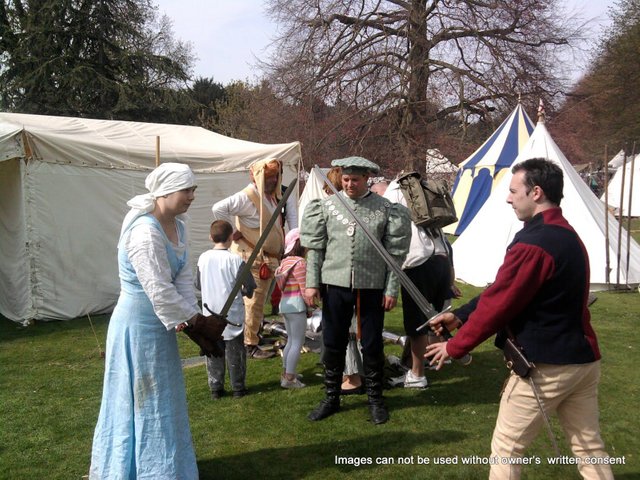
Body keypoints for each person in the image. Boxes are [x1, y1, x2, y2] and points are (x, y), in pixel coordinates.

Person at [426, 158, 614, 480]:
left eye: (514, 191)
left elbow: (500, 305)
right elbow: (504, 291)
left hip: (548, 365)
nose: (508, 198)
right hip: (582, 361)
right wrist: (459, 315)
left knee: (507, 448)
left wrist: (455, 346)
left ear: (536, 192)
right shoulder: (565, 234)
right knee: (589, 448)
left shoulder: (536, 243)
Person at [90, 162, 224, 479]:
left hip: (159, 326)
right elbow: (158, 290)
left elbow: (181, 278)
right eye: (186, 190)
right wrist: (195, 321)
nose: (192, 196)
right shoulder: (144, 233)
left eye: (193, 189)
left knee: (163, 396)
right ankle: (132, 469)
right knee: (137, 395)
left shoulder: (178, 225)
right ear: (165, 192)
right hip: (136, 324)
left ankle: (166, 466)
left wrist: (194, 321)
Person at [301, 156, 411, 424]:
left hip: (371, 285)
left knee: (372, 343)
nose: (350, 184)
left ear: (367, 179)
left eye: (356, 180)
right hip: (335, 284)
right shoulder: (327, 207)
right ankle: (331, 397)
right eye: (347, 179)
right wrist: (312, 283)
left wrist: (391, 289)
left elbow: (394, 256)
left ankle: (375, 399)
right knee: (333, 342)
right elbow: (316, 249)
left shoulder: (386, 209)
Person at [211, 158, 297, 359]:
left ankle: (254, 334)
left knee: (259, 301)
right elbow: (218, 208)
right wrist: (232, 231)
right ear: (256, 176)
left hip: (267, 258)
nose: (272, 180)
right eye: (268, 177)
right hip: (253, 257)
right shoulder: (247, 196)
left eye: (275, 176)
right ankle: (249, 344)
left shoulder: (272, 196)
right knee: (253, 301)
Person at [383, 178, 458, 388]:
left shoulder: (396, 193)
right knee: (430, 318)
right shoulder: (423, 192)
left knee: (417, 324)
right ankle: (418, 361)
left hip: (418, 261)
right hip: (440, 259)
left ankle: (417, 374)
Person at [196, 220, 256, 399]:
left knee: (213, 350)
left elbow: (198, 284)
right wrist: (244, 293)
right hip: (232, 314)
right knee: (235, 352)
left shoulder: (203, 258)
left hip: (210, 311)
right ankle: (238, 388)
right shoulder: (235, 260)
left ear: (210, 237)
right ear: (231, 237)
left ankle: (216, 389)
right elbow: (250, 286)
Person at [274, 228, 309, 389]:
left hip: (285, 304)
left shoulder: (285, 261)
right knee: (297, 342)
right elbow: (304, 289)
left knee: (290, 341)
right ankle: (289, 378)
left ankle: (287, 371)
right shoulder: (300, 263)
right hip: (296, 305)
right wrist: (311, 306)